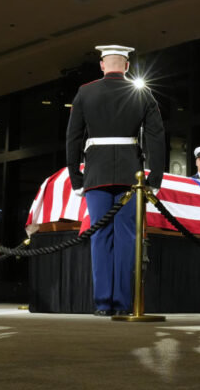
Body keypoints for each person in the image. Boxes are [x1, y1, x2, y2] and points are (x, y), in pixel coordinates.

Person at [66, 44, 165, 316]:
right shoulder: (143, 93)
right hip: (130, 174)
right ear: (127, 66)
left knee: (100, 238)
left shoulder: (85, 92)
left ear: (102, 65)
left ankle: (102, 303)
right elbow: (156, 137)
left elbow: (73, 138)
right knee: (126, 238)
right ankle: (122, 304)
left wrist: (76, 178)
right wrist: (154, 179)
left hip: (95, 174)